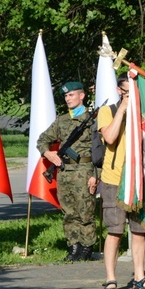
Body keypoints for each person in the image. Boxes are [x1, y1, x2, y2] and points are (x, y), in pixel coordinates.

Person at [97, 75, 145, 289]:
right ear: (119, 90)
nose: (133, 95)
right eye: (128, 91)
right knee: (115, 231)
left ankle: (139, 277)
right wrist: (123, 107)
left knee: (139, 231)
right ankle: (110, 279)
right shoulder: (107, 110)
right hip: (114, 180)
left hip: (140, 179)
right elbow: (110, 137)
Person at [37, 81, 98, 262]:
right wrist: (49, 153)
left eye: (71, 95)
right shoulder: (62, 120)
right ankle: (73, 247)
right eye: (65, 96)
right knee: (69, 212)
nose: (68, 99)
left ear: (82, 96)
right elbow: (42, 140)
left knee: (85, 211)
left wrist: (96, 176)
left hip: (85, 171)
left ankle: (87, 247)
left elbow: (100, 151)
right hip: (64, 172)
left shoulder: (93, 120)